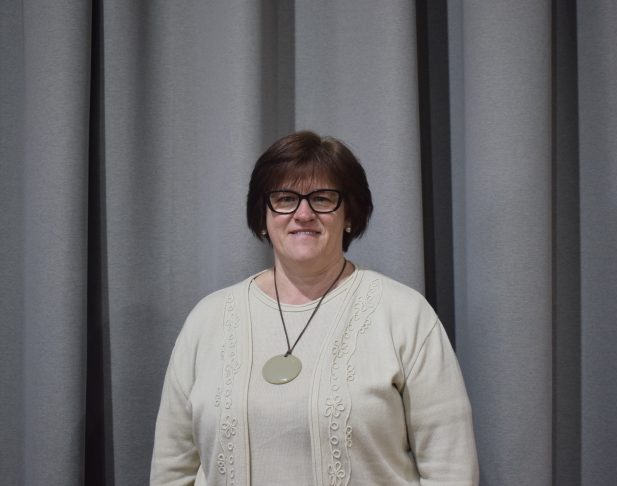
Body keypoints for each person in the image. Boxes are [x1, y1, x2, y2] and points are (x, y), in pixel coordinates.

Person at [150, 131, 478, 485]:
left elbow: (451, 470)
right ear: (263, 216)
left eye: (322, 199)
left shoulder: (405, 316)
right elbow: (172, 471)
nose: (303, 213)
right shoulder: (207, 321)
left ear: (349, 214)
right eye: (285, 198)